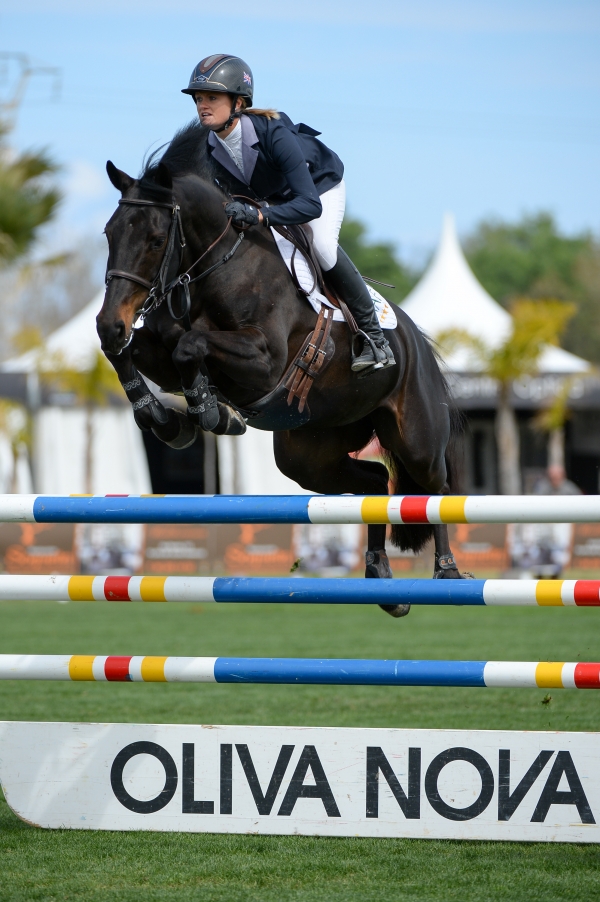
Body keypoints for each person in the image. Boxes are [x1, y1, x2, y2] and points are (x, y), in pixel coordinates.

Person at [181, 54, 395, 374]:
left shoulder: (272, 132)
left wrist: (260, 216)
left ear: (238, 103)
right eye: (199, 98)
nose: (203, 105)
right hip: (272, 200)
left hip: (318, 188)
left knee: (321, 244)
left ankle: (374, 337)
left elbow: (309, 205)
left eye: (212, 97)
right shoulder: (209, 150)